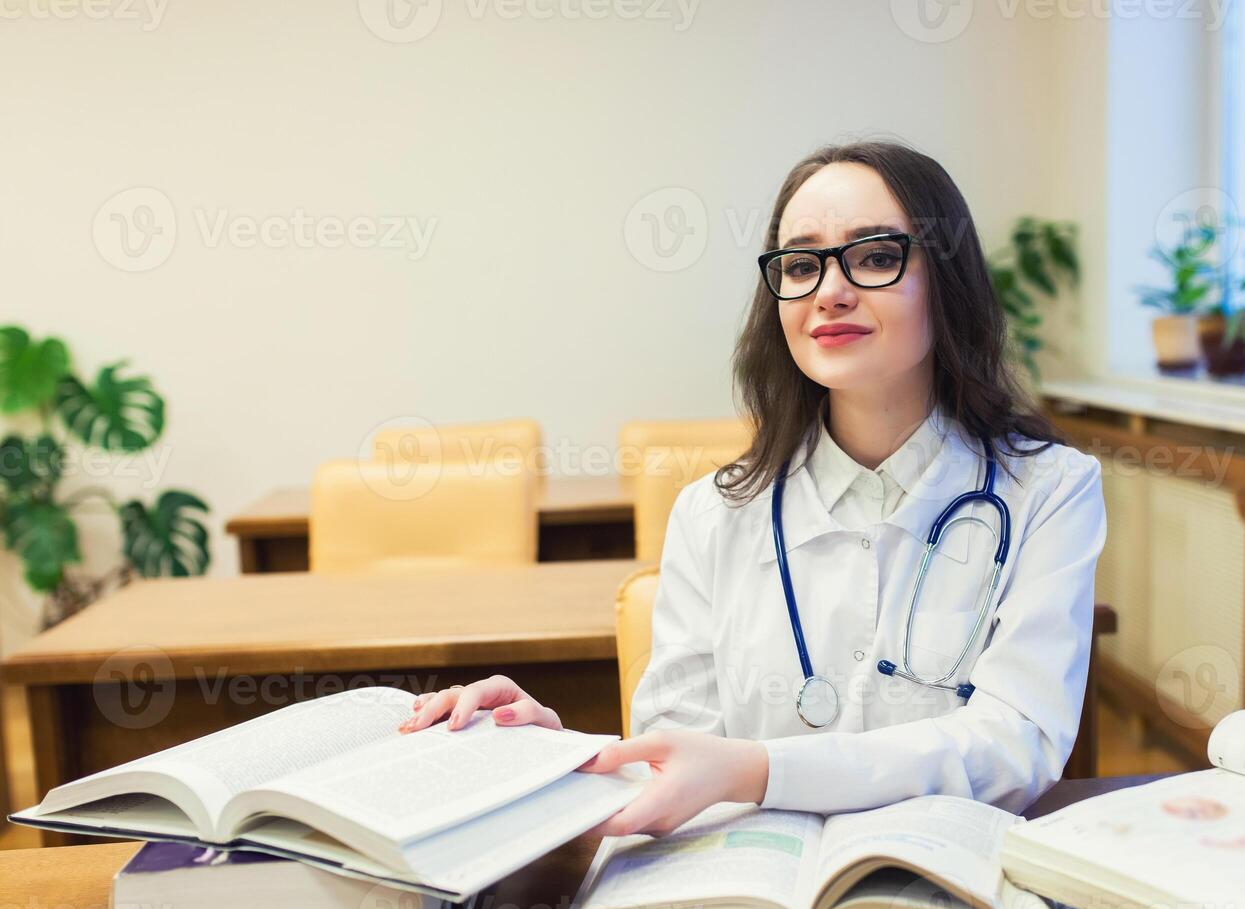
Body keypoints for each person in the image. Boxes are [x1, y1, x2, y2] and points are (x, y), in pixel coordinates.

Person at [399, 139, 1107, 838]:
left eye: (876, 256)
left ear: (947, 282)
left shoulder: (1048, 490)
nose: (831, 291)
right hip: (751, 894)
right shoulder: (712, 514)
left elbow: (1017, 742)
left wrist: (759, 770)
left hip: (951, 880)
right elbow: (676, 756)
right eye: (801, 264)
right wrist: (549, 751)